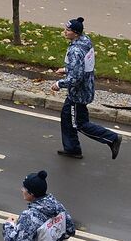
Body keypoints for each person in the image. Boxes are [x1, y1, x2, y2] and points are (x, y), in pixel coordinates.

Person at [51, 17, 121, 160]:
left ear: (75, 33)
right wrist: (66, 69)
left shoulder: (75, 50)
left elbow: (76, 78)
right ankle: (72, 148)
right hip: (85, 89)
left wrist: (59, 84)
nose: (64, 32)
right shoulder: (85, 41)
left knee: (80, 124)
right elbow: (81, 67)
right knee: (67, 117)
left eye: (68, 30)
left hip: (78, 94)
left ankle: (112, 138)